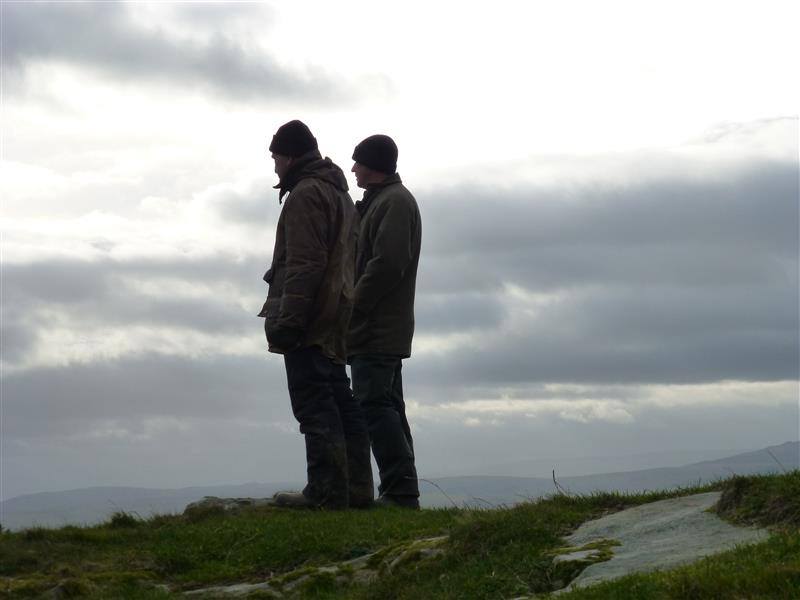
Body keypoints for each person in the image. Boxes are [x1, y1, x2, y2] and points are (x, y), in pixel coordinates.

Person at [259, 120, 373, 509]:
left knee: (314, 405)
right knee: (341, 399)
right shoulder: (338, 194)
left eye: (276, 157)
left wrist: (289, 321)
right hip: (338, 311)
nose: (275, 166)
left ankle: (326, 492)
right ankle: (356, 490)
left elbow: (304, 264)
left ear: (290, 157)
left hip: (311, 315)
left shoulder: (306, 194)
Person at [348, 134, 422, 509]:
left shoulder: (394, 202)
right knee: (386, 404)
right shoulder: (383, 201)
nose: (353, 169)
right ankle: (401, 490)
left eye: (358, 162)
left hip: (377, 327)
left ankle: (399, 492)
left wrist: (353, 305)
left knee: (374, 405)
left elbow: (388, 263)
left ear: (373, 166)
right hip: (380, 326)